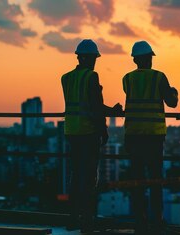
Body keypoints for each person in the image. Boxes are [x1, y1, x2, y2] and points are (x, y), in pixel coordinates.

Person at [61, 39, 122, 233]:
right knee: (88, 178)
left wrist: (108, 110)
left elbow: (82, 103)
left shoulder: (66, 78)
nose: (96, 62)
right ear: (90, 58)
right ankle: (87, 220)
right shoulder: (91, 77)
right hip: (88, 133)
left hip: (72, 131)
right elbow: (95, 107)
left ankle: (72, 218)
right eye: (95, 58)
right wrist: (104, 128)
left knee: (75, 175)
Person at [123, 40, 178, 234]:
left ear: (135, 59)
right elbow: (172, 103)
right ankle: (157, 221)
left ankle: (140, 221)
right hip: (153, 136)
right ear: (149, 58)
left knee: (137, 181)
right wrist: (174, 92)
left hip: (133, 135)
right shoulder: (158, 77)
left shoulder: (127, 79)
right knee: (155, 180)